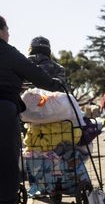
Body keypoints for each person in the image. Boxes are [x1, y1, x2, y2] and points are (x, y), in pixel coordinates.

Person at [0, 15, 64, 204]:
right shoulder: (8, 53)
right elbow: (36, 74)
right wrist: (55, 84)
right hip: (3, 109)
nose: (9, 34)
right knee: (7, 158)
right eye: (7, 30)